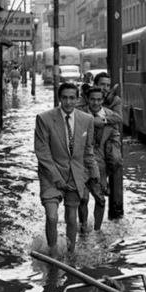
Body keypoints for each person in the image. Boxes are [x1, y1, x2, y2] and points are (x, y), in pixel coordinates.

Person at [34, 82, 100, 256]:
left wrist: (94, 175)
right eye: (64, 98)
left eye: (72, 98)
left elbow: (88, 151)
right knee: (52, 217)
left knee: (71, 218)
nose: (68, 102)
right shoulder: (44, 119)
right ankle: (53, 253)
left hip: (75, 175)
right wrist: (57, 178)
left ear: (77, 98)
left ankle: (71, 254)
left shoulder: (87, 120)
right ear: (59, 98)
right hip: (51, 174)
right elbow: (42, 153)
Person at [77, 87, 122, 231]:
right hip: (82, 160)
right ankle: (83, 227)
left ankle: (97, 230)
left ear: (103, 100)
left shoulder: (110, 115)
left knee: (100, 198)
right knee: (83, 198)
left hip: (101, 161)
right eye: (92, 99)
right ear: (88, 100)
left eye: (98, 100)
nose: (95, 103)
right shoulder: (80, 113)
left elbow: (116, 135)